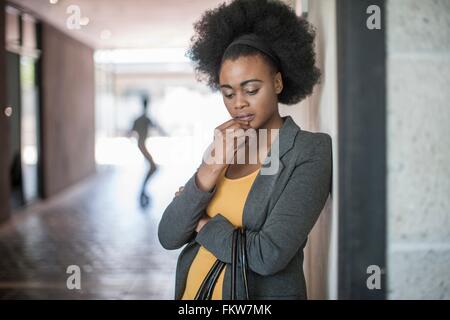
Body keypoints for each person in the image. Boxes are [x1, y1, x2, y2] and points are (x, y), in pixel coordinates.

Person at [158, 0, 332, 300]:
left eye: (251, 90)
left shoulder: (308, 151)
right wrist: (209, 169)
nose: (238, 103)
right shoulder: (224, 147)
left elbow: (268, 255)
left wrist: (202, 225)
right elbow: (169, 235)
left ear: (277, 82)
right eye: (228, 93)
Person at [130, 94, 166, 207]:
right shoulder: (144, 118)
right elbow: (156, 127)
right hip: (141, 145)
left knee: (153, 167)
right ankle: (142, 191)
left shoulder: (142, 118)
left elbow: (131, 131)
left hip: (141, 145)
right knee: (154, 167)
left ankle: (143, 191)